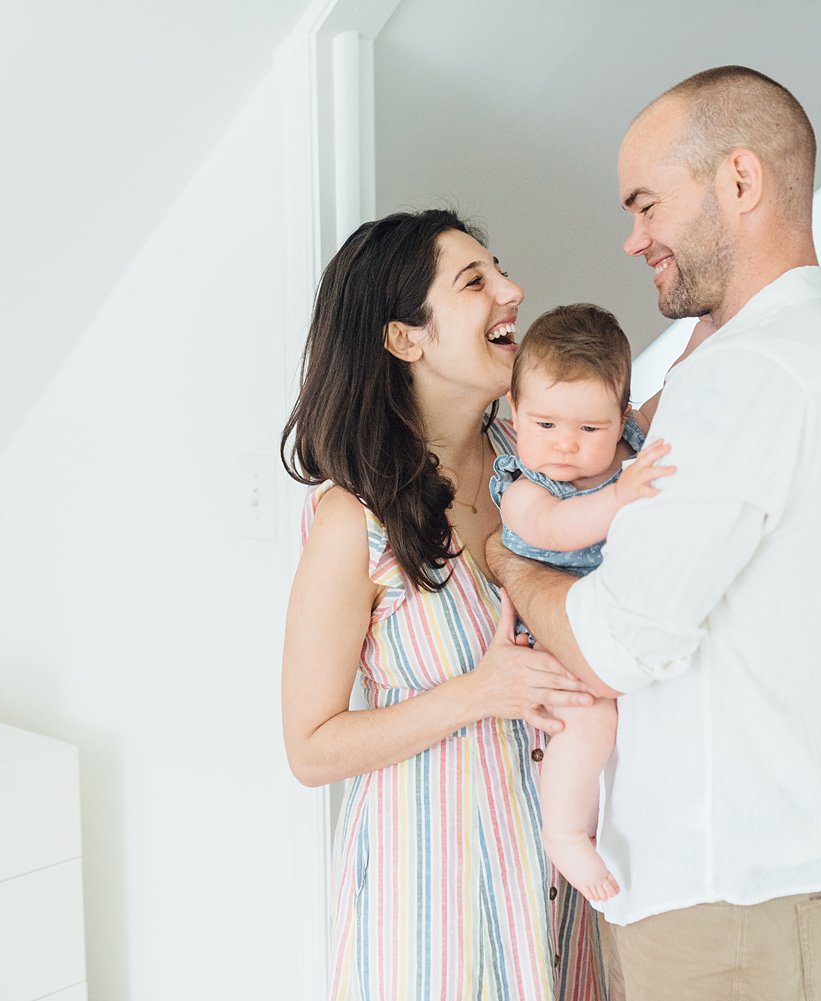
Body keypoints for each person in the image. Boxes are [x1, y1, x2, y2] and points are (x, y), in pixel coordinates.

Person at [487, 66, 821, 1001]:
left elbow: (619, 642)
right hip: (695, 887)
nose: (633, 238)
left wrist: (509, 560)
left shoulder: (760, 378)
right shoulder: (746, 363)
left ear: (739, 181)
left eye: (648, 205)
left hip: (723, 900)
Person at [280, 209, 607, 999]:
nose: (512, 290)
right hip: (431, 907)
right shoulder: (349, 520)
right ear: (404, 338)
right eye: (475, 281)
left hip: (559, 895)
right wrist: (478, 693)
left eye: (499, 268)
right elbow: (311, 747)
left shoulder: (542, 469)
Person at [488, 304, 673, 903]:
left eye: (590, 430)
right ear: (514, 416)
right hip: (557, 638)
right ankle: (564, 832)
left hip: (618, 622)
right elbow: (559, 528)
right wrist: (620, 495)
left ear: (621, 420)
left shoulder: (629, 445)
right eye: (544, 425)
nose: (565, 445)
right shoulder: (524, 490)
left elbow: (679, 389)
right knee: (589, 716)